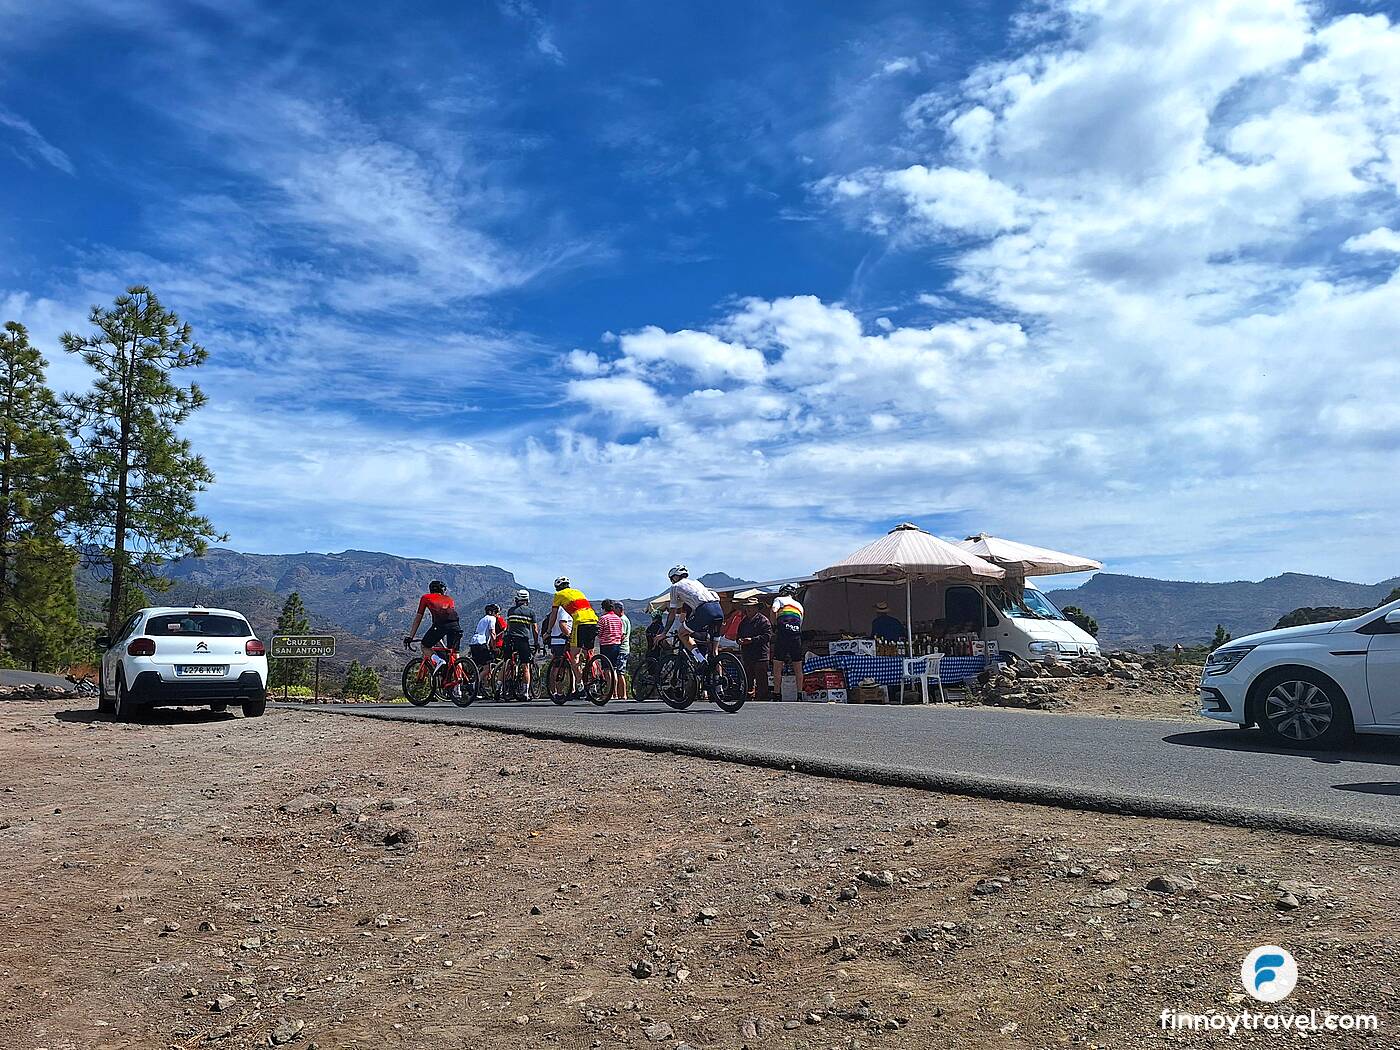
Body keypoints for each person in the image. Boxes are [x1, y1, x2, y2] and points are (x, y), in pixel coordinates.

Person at [404, 580, 464, 701]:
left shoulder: (426, 597)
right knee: (455, 656)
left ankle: (438, 661)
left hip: (440, 626)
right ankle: (458, 689)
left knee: (425, 646)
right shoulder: (449, 599)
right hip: (456, 626)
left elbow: (418, 618)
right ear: (443, 590)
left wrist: (411, 636)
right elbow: (448, 617)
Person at [545, 576, 600, 690]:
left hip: (580, 622)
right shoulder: (578, 591)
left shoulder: (558, 595)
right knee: (589, 653)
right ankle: (594, 681)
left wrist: (548, 631)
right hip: (594, 620)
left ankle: (580, 685)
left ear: (557, 588)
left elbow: (554, 615)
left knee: (574, 656)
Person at [663, 565, 723, 663]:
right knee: (714, 652)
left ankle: (701, 659)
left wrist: (663, 633)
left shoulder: (675, 586)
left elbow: (672, 613)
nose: (672, 582)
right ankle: (720, 677)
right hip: (718, 609)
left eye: (671, 579)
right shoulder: (696, 583)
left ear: (675, 577)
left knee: (681, 633)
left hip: (705, 610)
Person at [504, 589, 540, 699]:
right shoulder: (530, 612)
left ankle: (500, 687)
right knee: (526, 665)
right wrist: (536, 642)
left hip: (509, 638)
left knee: (506, 662)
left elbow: (508, 626)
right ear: (527, 600)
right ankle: (525, 692)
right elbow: (534, 629)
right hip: (522, 640)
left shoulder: (510, 611)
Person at [771, 583, 805, 696]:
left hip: (783, 634)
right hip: (796, 635)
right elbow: (800, 623)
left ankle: (776, 693)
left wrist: (774, 625)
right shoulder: (800, 605)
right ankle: (799, 694)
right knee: (798, 666)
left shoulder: (779, 599)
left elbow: (774, 609)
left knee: (777, 665)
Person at [736, 597, 772, 700]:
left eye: (751, 608)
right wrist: (739, 640)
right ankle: (748, 696)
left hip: (760, 655)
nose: (749, 610)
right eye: (747, 608)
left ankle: (762, 698)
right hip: (747, 654)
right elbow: (738, 636)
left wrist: (752, 640)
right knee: (748, 678)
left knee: (761, 679)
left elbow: (767, 636)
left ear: (756, 608)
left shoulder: (764, 621)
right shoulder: (743, 622)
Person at [597, 600, 628, 700]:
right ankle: (614, 693)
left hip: (606, 645)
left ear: (603, 608)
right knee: (614, 669)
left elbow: (599, 632)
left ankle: (610, 692)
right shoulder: (618, 619)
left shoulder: (603, 618)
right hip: (617, 645)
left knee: (607, 670)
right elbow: (621, 633)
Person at [470, 603, 499, 668]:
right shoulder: (492, 618)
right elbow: (492, 633)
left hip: (473, 642)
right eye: (496, 612)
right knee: (487, 667)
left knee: (478, 665)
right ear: (492, 612)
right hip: (481, 643)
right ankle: (479, 678)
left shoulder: (483, 619)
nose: (497, 615)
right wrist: (494, 648)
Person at [615, 601, 634, 699]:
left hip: (622, 648)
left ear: (618, 609)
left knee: (620, 672)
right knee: (620, 671)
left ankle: (622, 694)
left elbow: (622, 635)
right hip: (625, 648)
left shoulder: (622, 620)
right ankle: (621, 694)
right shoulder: (625, 619)